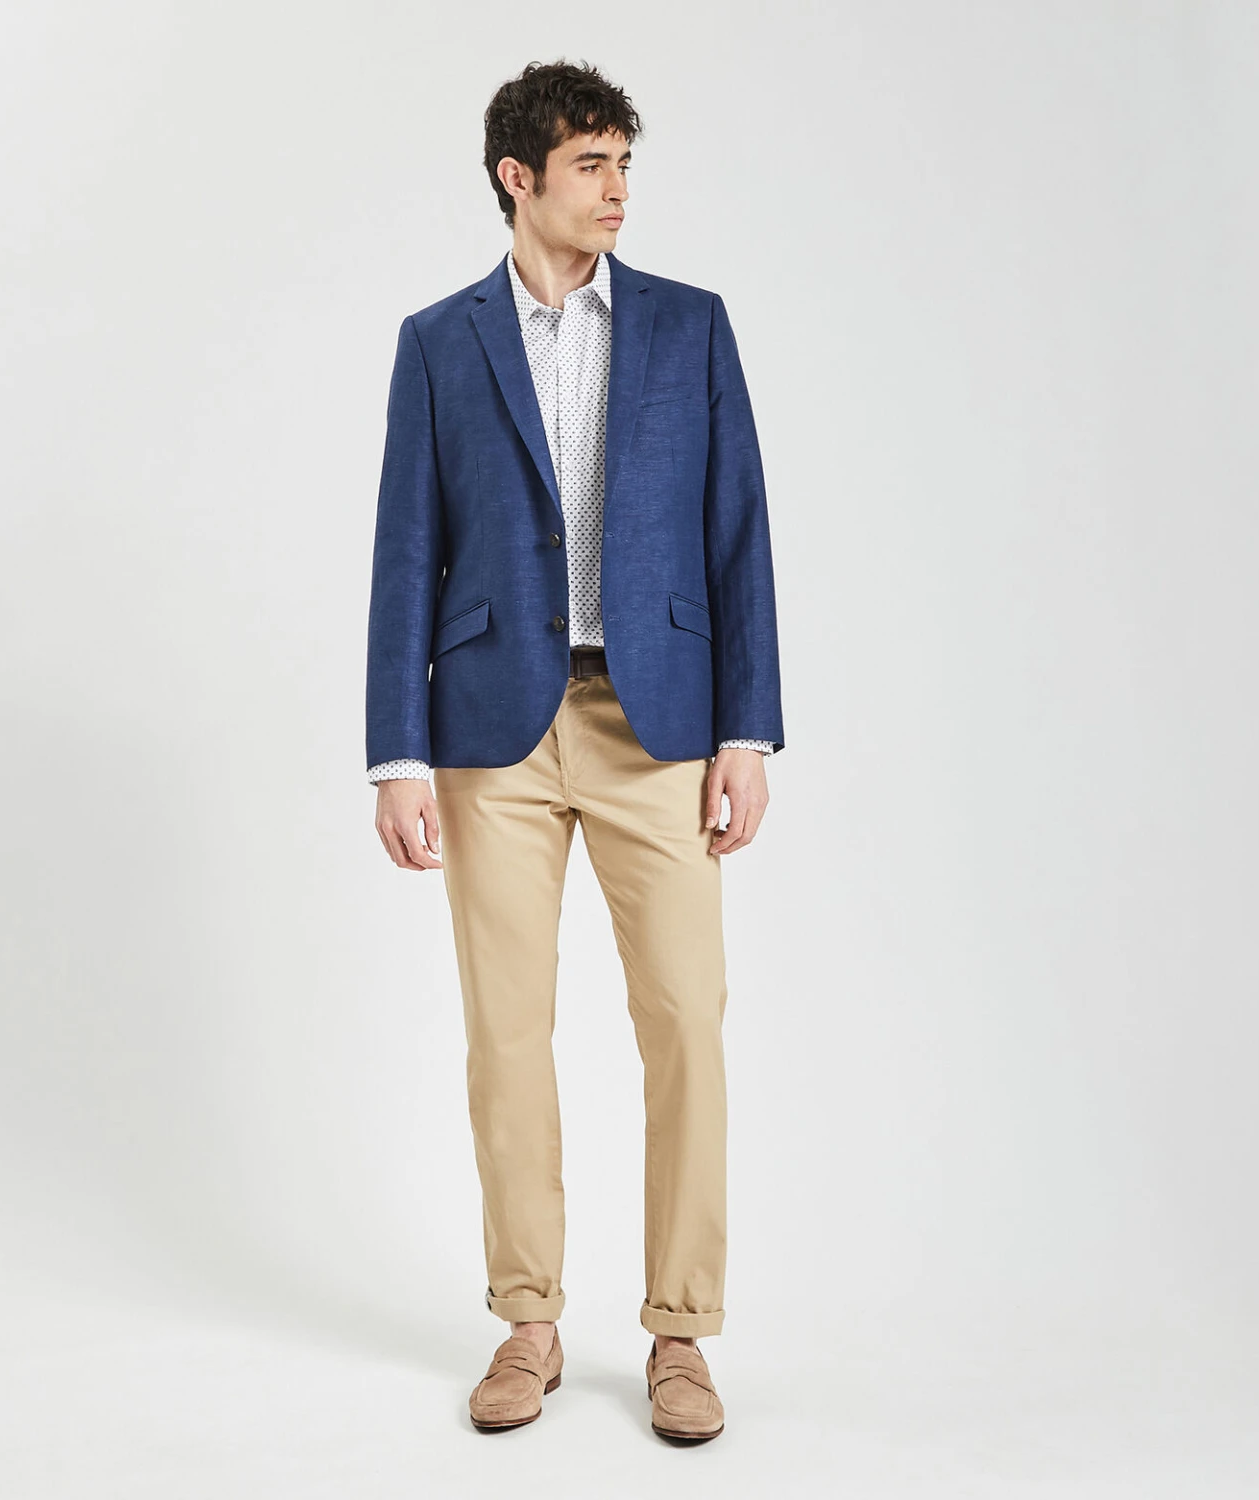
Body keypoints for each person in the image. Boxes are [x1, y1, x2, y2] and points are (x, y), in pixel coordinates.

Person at [364, 59, 784, 1441]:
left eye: (623, 165)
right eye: (591, 165)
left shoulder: (689, 326)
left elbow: (738, 534)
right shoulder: (441, 341)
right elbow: (406, 552)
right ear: (519, 178)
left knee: (686, 1023)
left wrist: (746, 731)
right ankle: (528, 1321)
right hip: (492, 733)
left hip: (655, 721)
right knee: (506, 1033)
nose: (616, 191)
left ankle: (681, 1335)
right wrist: (397, 755)